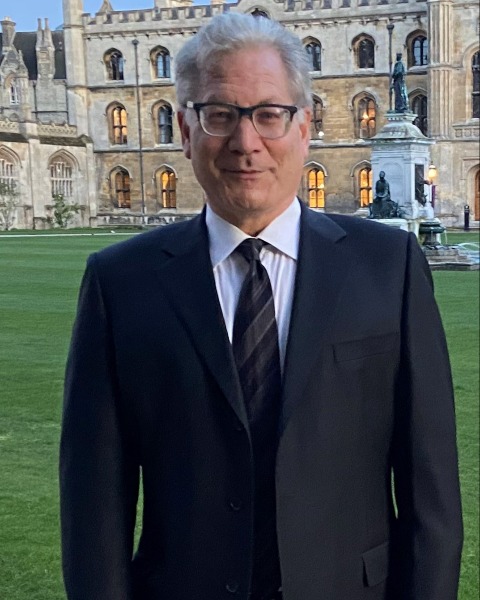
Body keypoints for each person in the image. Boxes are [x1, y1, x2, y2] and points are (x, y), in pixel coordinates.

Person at [59, 13, 463, 600]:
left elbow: (432, 490)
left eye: (269, 114)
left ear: (304, 127)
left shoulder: (388, 267)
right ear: (185, 130)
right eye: (220, 115)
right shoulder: (120, 282)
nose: (246, 143)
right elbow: (94, 502)